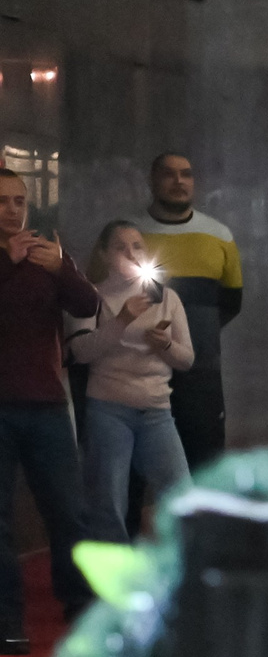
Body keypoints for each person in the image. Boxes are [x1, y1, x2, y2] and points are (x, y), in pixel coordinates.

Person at [0, 169, 97, 650]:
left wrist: (62, 267)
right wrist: (6, 262)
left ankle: (80, 608)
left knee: (69, 511)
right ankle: (7, 622)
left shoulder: (46, 253)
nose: (13, 210)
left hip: (45, 404)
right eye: (3, 201)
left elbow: (87, 304)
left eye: (19, 200)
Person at [68, 222, 193, 544]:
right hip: (109, 407)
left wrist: (164, 345)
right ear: (105, 254)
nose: (130, 254)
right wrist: (122, 320)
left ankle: (182, 571)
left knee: (181, 493)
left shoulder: (166, 298)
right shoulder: (92, 296)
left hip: (156, 410)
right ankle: (114, 577)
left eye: (137, 246)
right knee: (108, 501)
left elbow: (187, 359)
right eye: (120, 247)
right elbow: (80, 351)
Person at [134, 153, 240, 468]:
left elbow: (232, 302)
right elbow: (105, 298)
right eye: (169, 174)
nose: (179, 181)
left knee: (204, 463)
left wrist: (191, 335)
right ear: (152, 180)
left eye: (186, 174)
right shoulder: (129, 234)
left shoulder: (219, 235)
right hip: (139, 370)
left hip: (200, 373)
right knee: (135, 472)